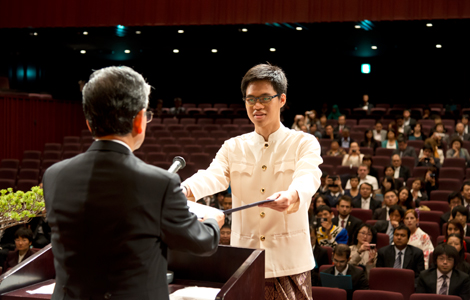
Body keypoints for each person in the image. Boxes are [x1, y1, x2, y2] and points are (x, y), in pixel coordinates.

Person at [43, 66, 223, 300]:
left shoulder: (54, 175)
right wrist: (213, 222)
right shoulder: (160, 184)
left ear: (89, 123)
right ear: (139, 121)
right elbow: (200, 243)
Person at [182, 64, 322, 299]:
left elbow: (308, 175)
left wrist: (293, 195)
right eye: (250, 99)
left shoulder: (303, 142)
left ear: (282, 99)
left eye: (265, 97)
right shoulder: (233, 146)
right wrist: (185, 188)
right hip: (245, 260)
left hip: (288, 261)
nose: (257, 105)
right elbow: (213, 174)